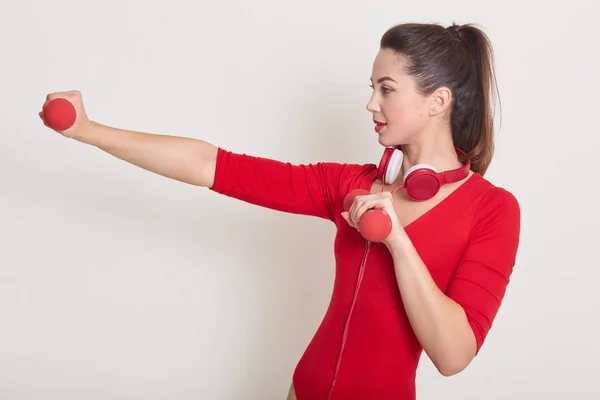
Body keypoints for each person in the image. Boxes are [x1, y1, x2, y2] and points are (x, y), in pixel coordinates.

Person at [39, 22, 521, 400]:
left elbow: (453, 355)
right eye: (371, 87)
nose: (370, 103)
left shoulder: (492, 210)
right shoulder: (348, 185)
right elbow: (214, 165)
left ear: (438, 101)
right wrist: (88, 130)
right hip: (302, 390)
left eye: (386, 89)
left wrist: (397, 240)